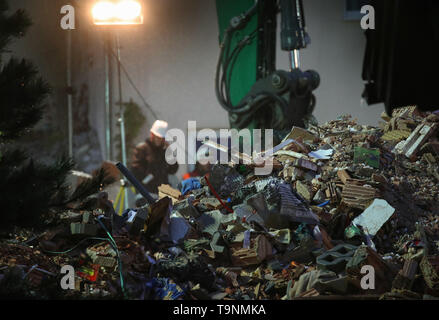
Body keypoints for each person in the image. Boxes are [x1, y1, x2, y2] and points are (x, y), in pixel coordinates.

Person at [130, 120, 178, 195]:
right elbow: (135, 171)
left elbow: (173, 170)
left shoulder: (164, 151)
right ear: (152, 135)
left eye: (162, 138)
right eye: (158, 137)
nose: (160, 140)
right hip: (146, 192)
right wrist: (149, 177)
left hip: (163, 192)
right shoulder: (142, 149)